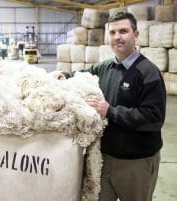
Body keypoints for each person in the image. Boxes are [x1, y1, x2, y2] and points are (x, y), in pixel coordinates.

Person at [60, 12, 166, 201]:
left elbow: (153, 119)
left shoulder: (148, 73)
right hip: (104, 159)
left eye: (123, 31)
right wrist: (62, 75)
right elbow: (83, 75)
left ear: (136, 35)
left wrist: (109, 111)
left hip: (135, 163)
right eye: (113, 32)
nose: (117, 37)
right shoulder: (105, 67)